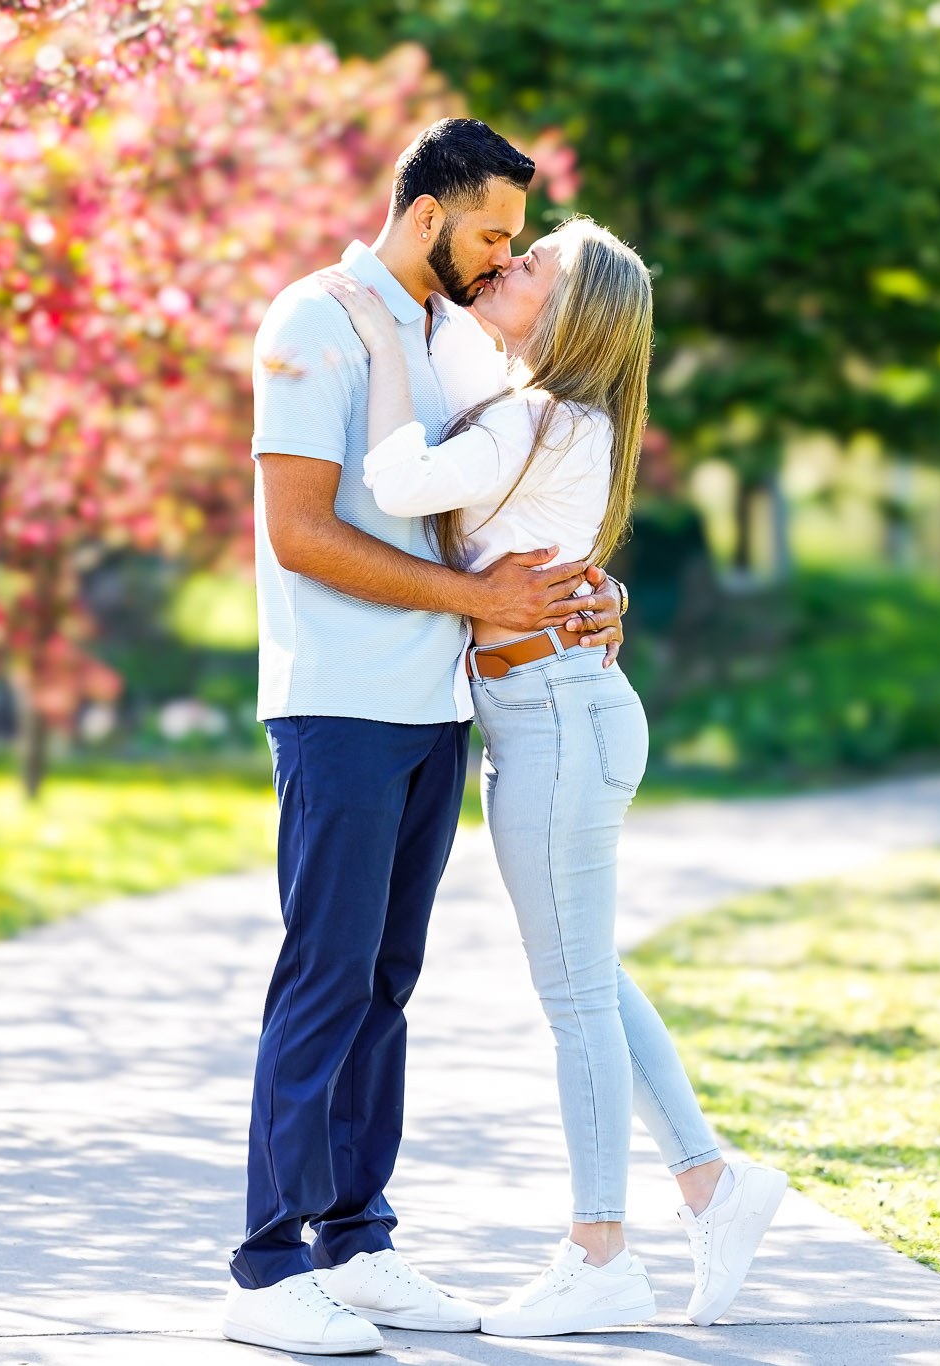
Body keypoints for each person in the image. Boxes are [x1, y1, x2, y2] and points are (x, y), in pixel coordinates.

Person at [315, 215, 789, 1339]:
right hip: (552, 715)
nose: (508, 264)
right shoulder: (553, 418)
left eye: (534, 265)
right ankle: (710, 1187)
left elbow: (393, 482)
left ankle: (599, 1252)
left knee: (574, 993)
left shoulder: (537, 417)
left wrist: (382, 345)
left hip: (557, 719)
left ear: (569, 313)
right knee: (591, 978)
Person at [221, 119, 628, 1356]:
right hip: (338, 702)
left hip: (437, 704)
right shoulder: (313, 320)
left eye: (517, 241)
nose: (505, 257)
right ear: (427, 213)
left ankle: (356, 1241)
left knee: (387, 984)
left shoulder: (449, 338)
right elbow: (301, 530)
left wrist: (586, 588)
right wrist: (480, 602)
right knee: (324, 972)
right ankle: (264, 1265)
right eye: (493, 233)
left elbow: (499, 504)